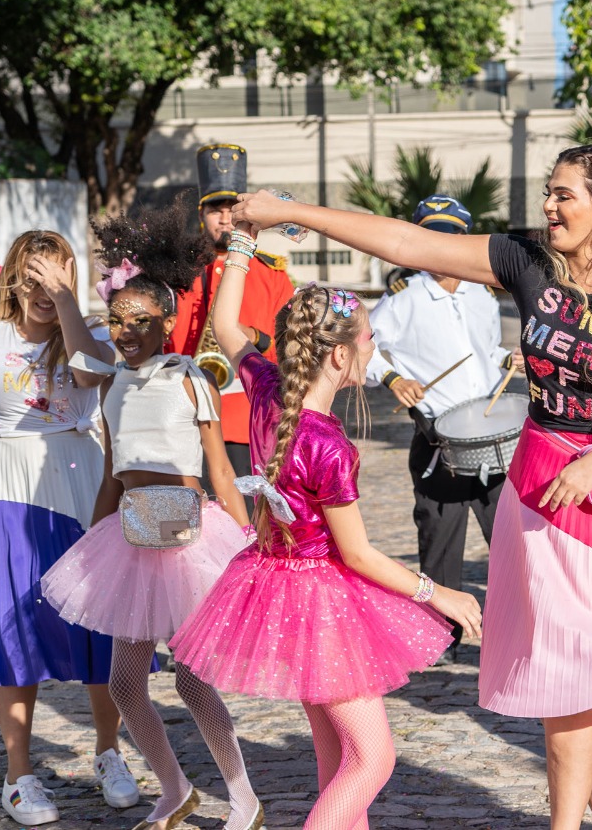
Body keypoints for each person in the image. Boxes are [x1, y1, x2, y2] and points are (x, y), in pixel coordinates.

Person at [228, 142, 592, 830]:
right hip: (538, 499)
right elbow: (406, 241)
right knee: (568, 680)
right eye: (550, 191)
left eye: (566, 194)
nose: (549, 204)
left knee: (576, 684)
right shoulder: (524, 261)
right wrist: (288, 211)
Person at [169, 229, 479, 827]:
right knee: (372, 759)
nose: (371, 348)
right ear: (339, 355)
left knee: (334, 759)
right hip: (322, 604)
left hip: (279, 590)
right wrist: (438, 592)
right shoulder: (327, 444)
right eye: (367, 340)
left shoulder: (265, 392)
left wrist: (239, 248)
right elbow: (358, 555)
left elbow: (227, 325)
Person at [40, 200, 262, 830]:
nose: (127, 330)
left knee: (192, 681)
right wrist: (91, 542)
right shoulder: (112, 385)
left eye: (141, 320)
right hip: (131, 535)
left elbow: (219, 467)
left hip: (190, 535)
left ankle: (243, 794)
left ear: (167, 323)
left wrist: (245, 536)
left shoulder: (189, 378)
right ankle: (174, 789)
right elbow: (113, 469)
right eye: (117, 320)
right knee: (125, 684)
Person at [0, 230, 139, 825]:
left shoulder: (91, 334)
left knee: (98, 631)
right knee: (12, 632)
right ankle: (19, 774)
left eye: (55, 277)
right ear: (12, 275)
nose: (42, 290)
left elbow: (89, 377)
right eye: (32, 277)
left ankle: (109, 753)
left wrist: (65, 306)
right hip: (4, 492)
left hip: (82, 489)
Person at [365, 194, 522, 665]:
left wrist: (506, 359)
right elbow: (362, 345)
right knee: (440, 537)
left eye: (452, 235)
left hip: (493, 433)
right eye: (433, 235)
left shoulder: (481, 292)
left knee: (510, 537)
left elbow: (485, 350)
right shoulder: (405, 297)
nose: (442, 245)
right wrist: (393, 377)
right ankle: (439, 635)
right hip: (439, 435)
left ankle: (518, 627)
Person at [167, 144, 295, 491]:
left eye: (231, 209)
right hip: (185, 414)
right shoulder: (178, 270)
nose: (224, 218)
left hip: (247, 416)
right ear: (201, 215)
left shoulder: (273, 274)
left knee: (248, 522)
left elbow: (290, 348)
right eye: (214, 210)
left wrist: (251, 335)